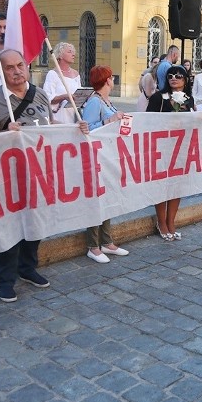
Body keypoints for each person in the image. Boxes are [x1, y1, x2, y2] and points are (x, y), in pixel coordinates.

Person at [0, 49, 89, 302]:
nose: (16, 71)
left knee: (36, 220)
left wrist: (75, 127)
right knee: (9, 226)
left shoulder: (39, 95)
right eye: (9, 68)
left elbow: (49, 127)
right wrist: (4, 132)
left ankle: (28, 267)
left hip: (40, 170)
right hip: (9, 174)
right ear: (0, 72)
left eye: (20, 65)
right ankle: (5, 279)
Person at [82, 66, 130, 261]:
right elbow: (88, 128)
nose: (113, 80)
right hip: (97, 156)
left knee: (108, 197)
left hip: (109, 154)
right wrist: (111, 119)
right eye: (110, 77)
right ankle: (93, 245)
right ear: (106, 80)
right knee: (97, 200)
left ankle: (107, 241)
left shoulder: (105, 100)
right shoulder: (94, 101)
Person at [147, 65, 195, 239]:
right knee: (162, 185)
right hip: (162, 147)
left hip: (181, 147)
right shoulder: (158, 97)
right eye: (170, 76)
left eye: (178, 75)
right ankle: (161, 222)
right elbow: (147, 121)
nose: (174, 78)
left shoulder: (189, 98)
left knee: (177, 186)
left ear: (185, 79)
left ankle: (171, 221)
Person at [42, 42, 82, 124]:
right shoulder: (53, 74)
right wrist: (64, 97)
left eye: (73, 52)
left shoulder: (76, 74)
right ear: (60, 55)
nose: (73, 54)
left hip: (74, 114)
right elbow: (47, 98)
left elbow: (79, 94)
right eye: (69, 52)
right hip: (59, 115)